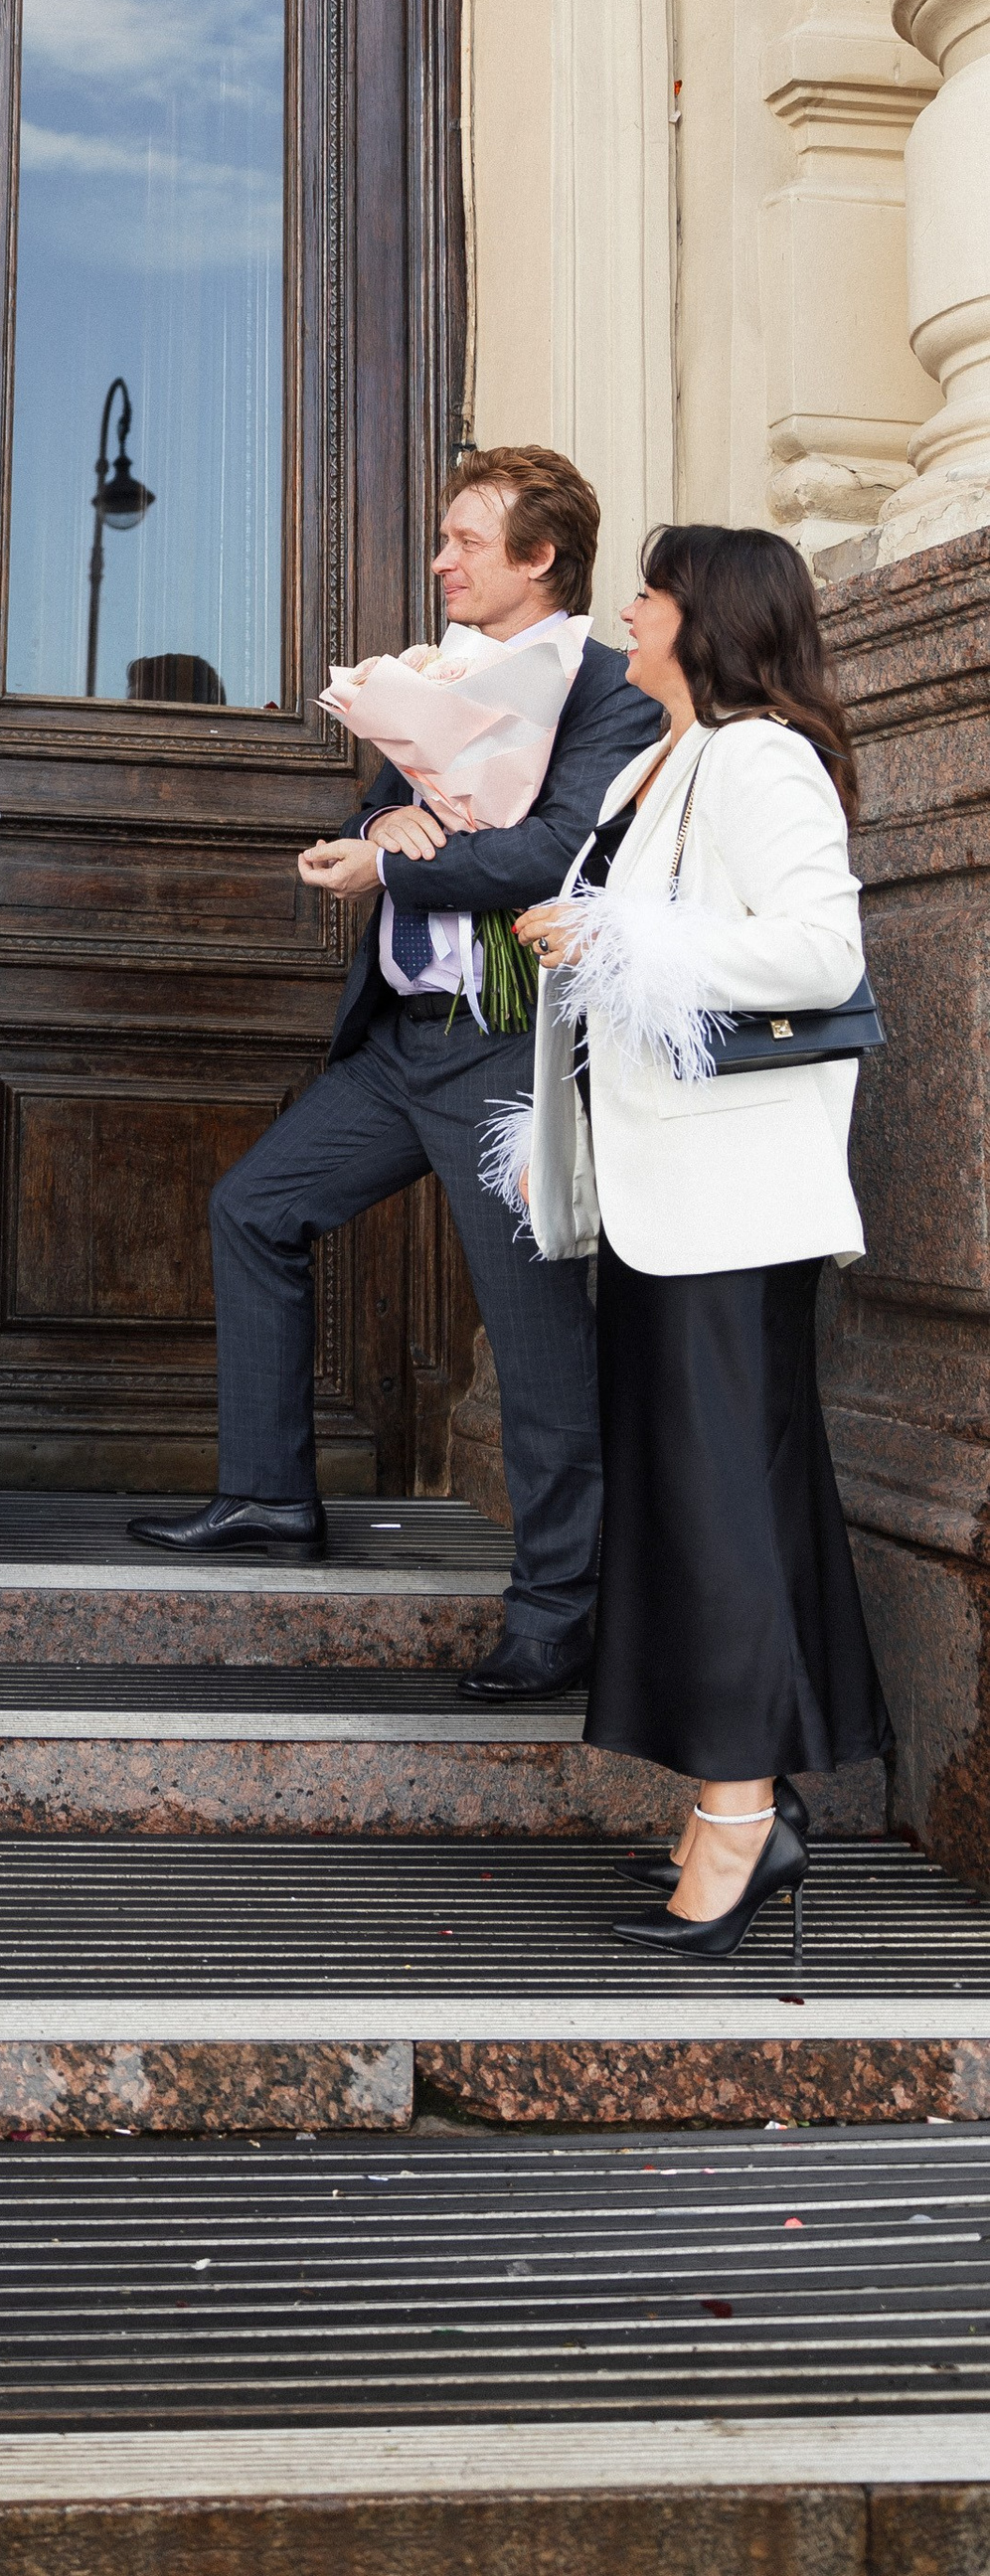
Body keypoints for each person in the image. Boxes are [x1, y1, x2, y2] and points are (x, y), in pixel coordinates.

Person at [133, 449, 659, 1698]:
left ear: (539, 557)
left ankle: (558, 1614)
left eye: (465, 541)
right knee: (254, 1207)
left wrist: (399, 866)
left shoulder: (612, 690)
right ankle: (268, 1496)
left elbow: (550, 853)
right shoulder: (432, 671)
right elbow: (372, 815)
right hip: (397, 1045)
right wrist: (381, 826)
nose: (439, 562)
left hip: (505, 1052)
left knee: (536, 1344)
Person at [510, 525, 890, 1959]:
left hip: (728, 1207)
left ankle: (740, 1819)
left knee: (718, 1507)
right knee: (701, 1502)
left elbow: (820, 952)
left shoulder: (759, 759)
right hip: (665, 1193)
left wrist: (622, 944)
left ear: (708, 618)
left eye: (651, 592)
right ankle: (741, 1803)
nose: (628, 608)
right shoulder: (651, 765)